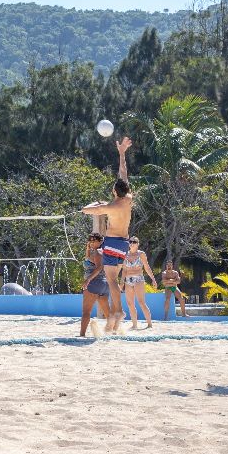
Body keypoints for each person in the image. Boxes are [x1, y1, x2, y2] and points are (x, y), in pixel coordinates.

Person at [81, 136, 133, 333]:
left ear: (114, 191)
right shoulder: (128, 199)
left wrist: (94, 205)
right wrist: (122, 153)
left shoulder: (110, 207)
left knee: (111, 280)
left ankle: (118, 311)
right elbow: (123, 173)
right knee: (114, 279)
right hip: (124, 244)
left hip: (111, 243)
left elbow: (86, 210)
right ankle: (115, 316)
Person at [80, 233, 112, 337]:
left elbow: (99, 267)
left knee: (86, 311)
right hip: (104, 284)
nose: (91, 242)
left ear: (101, 241)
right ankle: (113, 331)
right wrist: (88, 247)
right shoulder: (103, 252)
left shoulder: (98, 252)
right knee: (107, 312)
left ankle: (82, 334)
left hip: (95, 282)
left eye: (94, 240)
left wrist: (88, 279)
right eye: (90, 240)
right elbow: (88, 258)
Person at [121, 236, 156, 329]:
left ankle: (149, 324)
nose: (132, 243)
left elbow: (147, 267)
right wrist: (121, 282)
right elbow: (124, 270)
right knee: (130, 304)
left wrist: (153, 279)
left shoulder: (141, 254)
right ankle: (134, 325)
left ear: (138, 244)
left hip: (138, 279)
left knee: (141, 302)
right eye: (130, 241)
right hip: (128, 280)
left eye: (134, 242)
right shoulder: (125, 254)